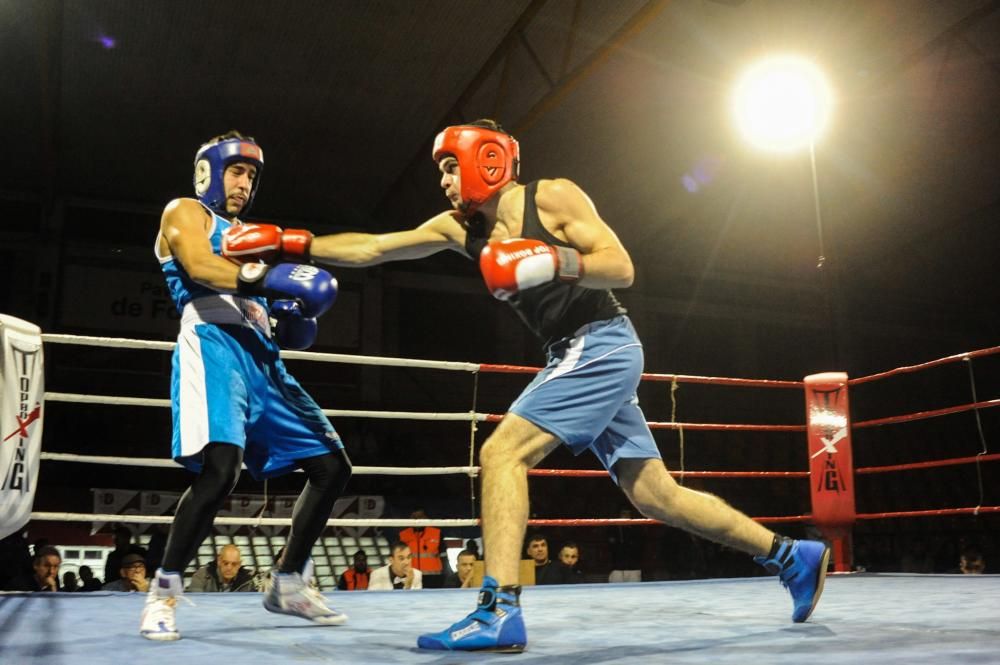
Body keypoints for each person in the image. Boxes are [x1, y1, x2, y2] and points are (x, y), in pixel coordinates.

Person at [261, 119, 830, 652]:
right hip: (577, 353)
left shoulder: (552, 196)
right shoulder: (463, 228)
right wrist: (290, 243)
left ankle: (498, 609)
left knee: (502, 452)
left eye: (450, 166)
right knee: (655, 494)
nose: (443, 179)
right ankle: (791, 556)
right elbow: (376, 247)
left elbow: (621, 265)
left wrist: (553, 260)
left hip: (602, 340)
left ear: (486, 158)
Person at [143, 130, 352, 641]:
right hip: (214, 346)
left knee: (332, 467)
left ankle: (288, 584)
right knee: (219, 471)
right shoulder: (186, 213)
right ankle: (163, 594)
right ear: (209, 171)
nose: (244, 183)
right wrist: (270, 279)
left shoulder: (251, 237)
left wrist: (288, 316)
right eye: (236, 171)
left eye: (252, 176)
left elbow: (261, 300)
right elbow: (199, 267)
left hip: (263, 359)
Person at [399, 509, 443, 588]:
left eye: (420, 516)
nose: (417, 519)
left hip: (433, 578)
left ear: (426, 517)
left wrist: (446, 575)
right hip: (411, 576)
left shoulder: (437, 533)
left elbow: (444, 556)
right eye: (414, 517)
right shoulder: (403, 535)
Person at [188, 544, 256, 592]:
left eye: (234, 564)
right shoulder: (202, 576)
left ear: (239, 565)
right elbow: (196, 603)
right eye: (225, 563)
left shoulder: (247, 582)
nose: (229, 568)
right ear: (219, 561)